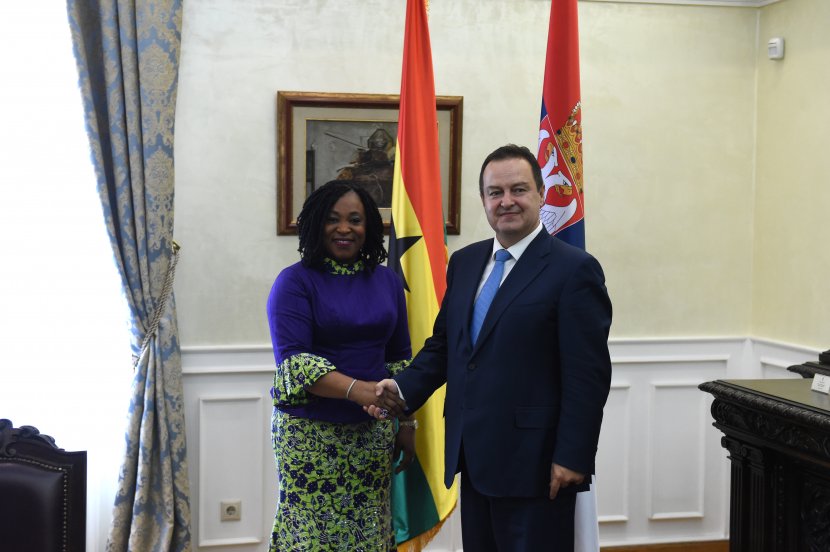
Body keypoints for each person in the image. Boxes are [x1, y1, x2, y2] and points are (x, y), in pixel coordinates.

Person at [369, 144, 612, 551]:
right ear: (483, 199)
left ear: (541, 194)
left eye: (519, 189)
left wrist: (573, 456)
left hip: (537, 465)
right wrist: (401, 388)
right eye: (495, 192)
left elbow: (587, 376)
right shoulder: (465, 262)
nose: (506, 201)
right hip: (474, 456)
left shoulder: (574, 269)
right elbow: (445, 346)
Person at [266, 180, 415, 551]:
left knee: (369, 534)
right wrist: (361, 391)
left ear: (369, 227)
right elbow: (296, 364)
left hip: (373, 434)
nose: (344, 228)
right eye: (333, 219)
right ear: (317, 224)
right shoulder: (294, 282)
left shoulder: (387, 281)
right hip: (310, 436)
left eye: (355, 220)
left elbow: (399, 357)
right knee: (312, 538)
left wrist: (407, 422)